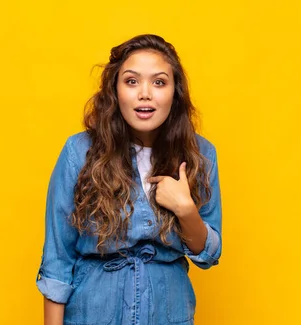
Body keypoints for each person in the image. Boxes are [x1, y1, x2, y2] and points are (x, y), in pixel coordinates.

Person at [36, 34, 222, 325]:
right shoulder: (78, 152)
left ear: (175, 93)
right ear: (115, 90)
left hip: (168, 313)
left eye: (159, 82)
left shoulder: (201, 154)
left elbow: (209, 255)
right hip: (92, 313)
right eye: (132, 81)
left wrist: (185, 209)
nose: (144, 93)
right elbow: (57, 259)